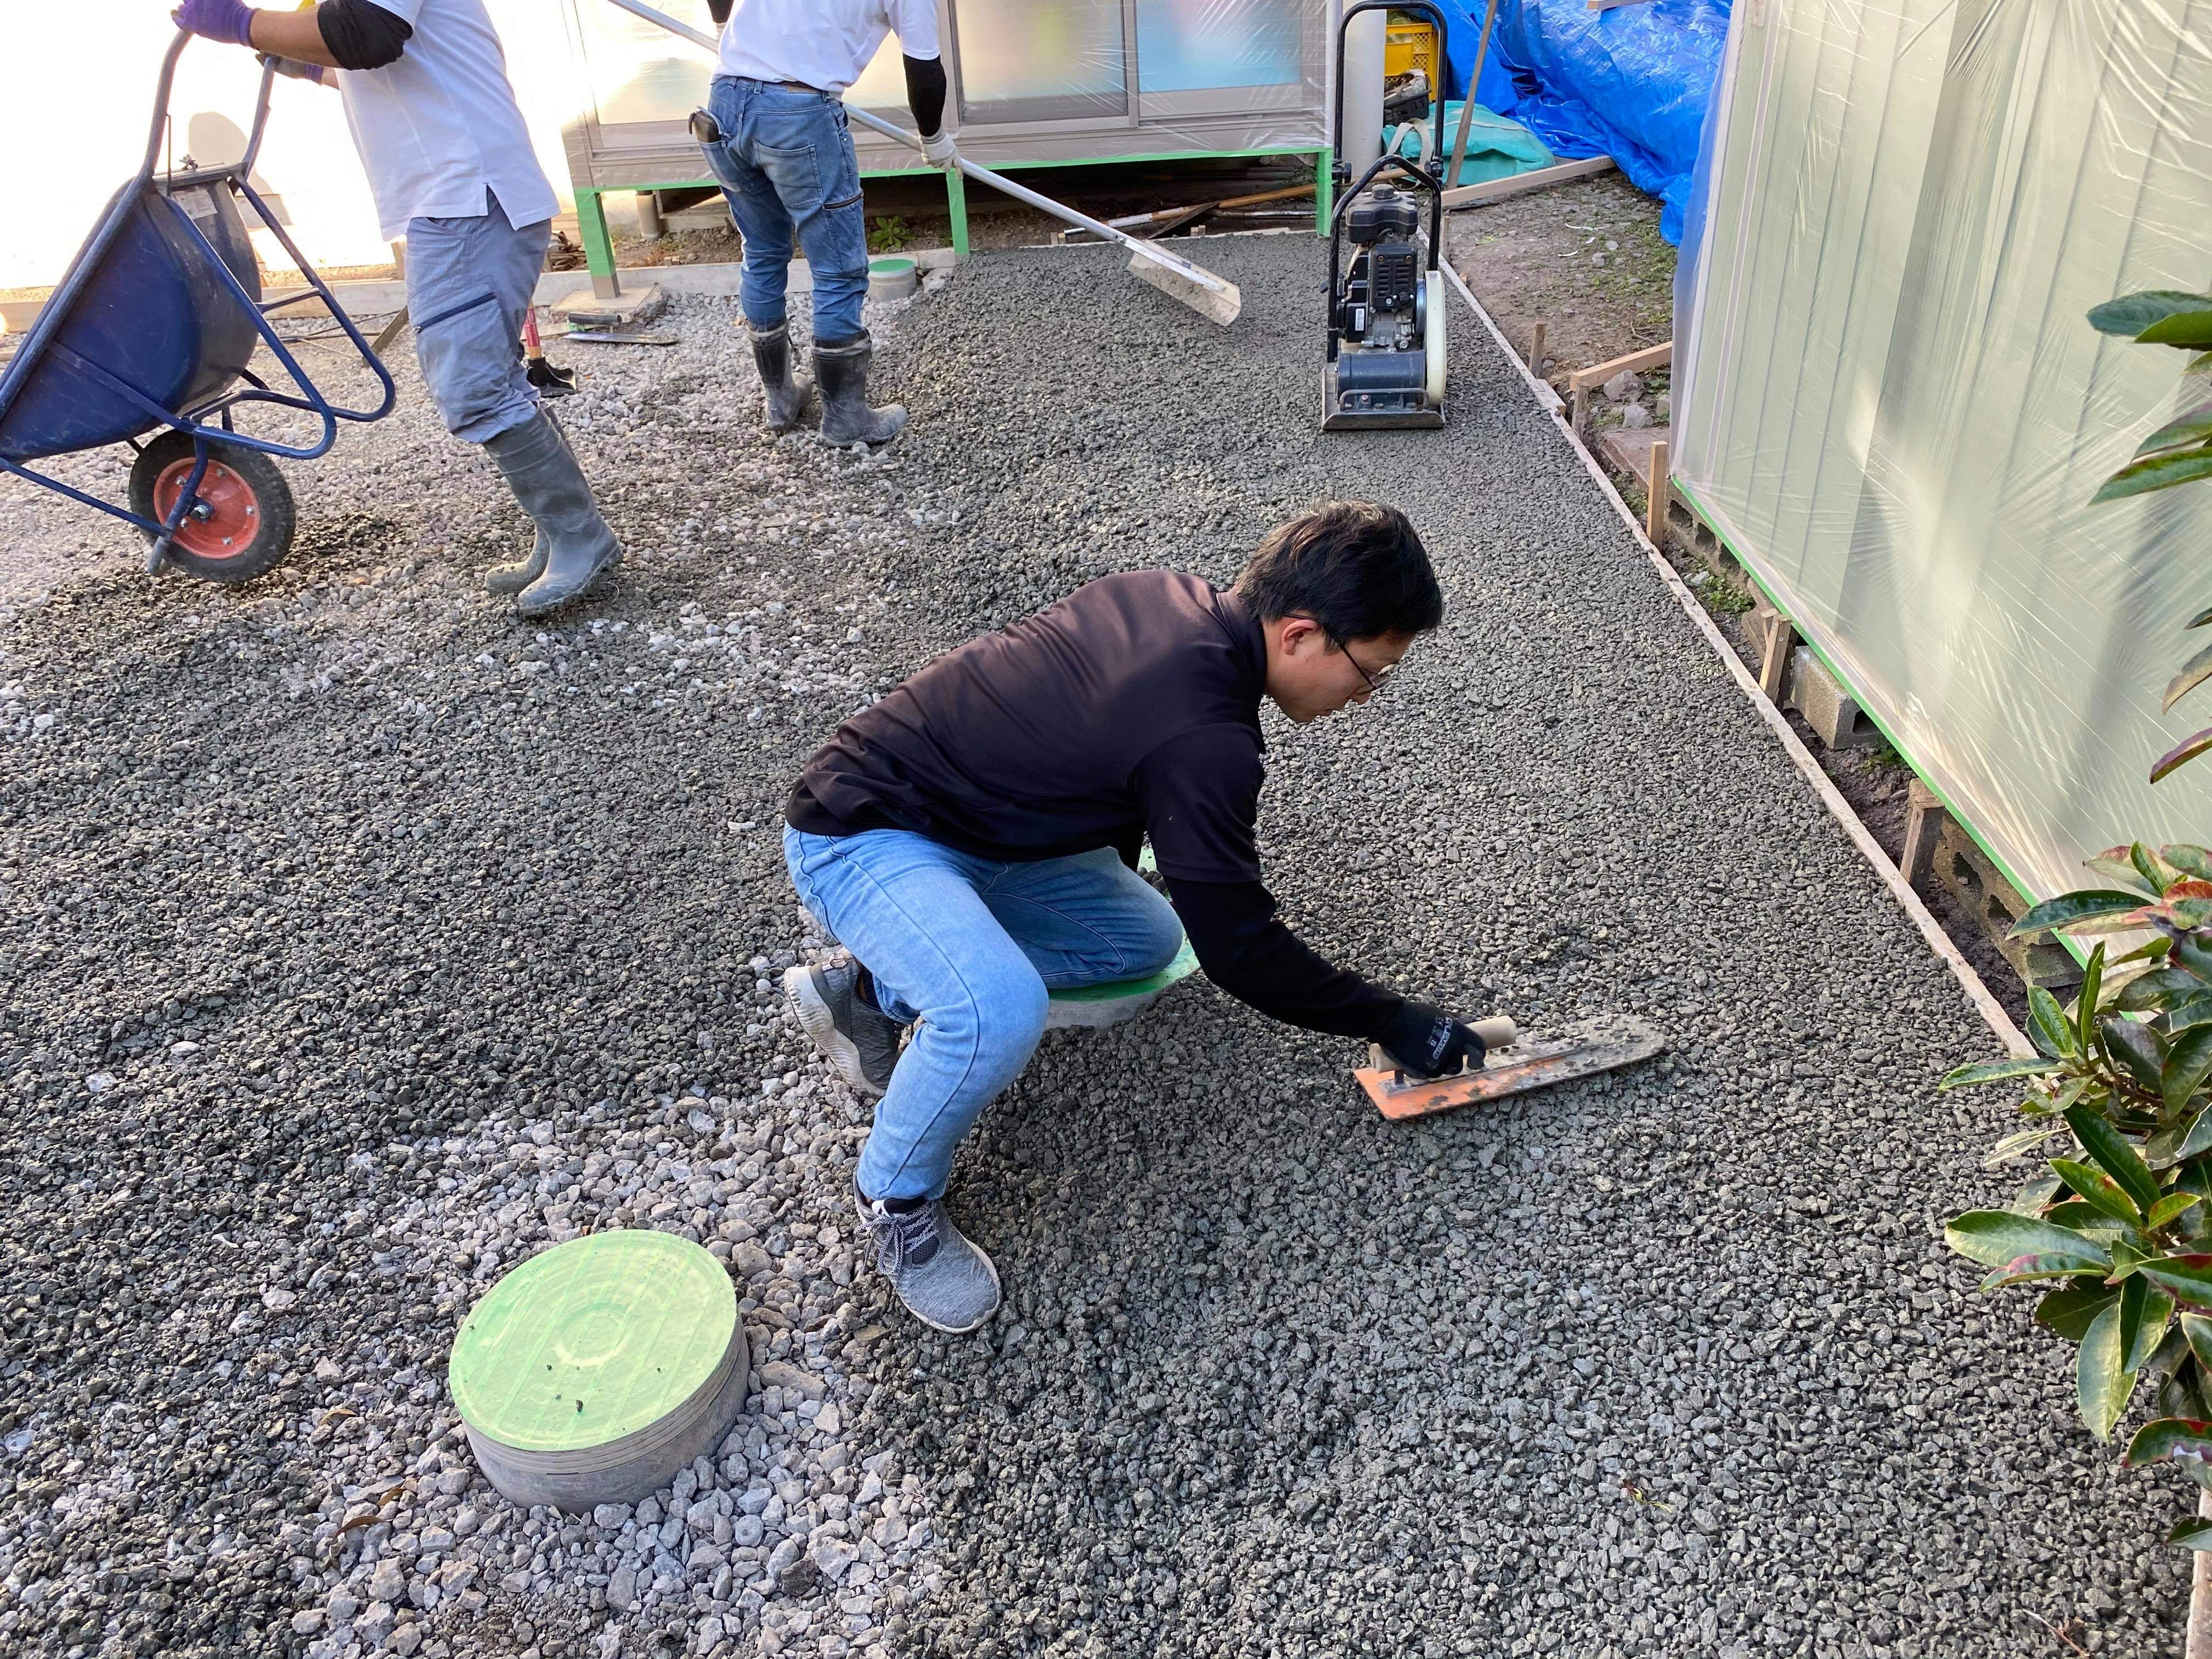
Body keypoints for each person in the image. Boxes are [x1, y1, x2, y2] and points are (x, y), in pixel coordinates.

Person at [780, 503, 1493, 1334]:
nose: (1366, 697)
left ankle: (872, 991)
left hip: (982, 828)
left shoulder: (1172, 599)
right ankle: (895, 1196)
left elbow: (1103, 778)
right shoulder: (1204, 736)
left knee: (1144, 941)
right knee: (996, 1010)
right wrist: (1393, 1018)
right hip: (860, 832)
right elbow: (1239, 947)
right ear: (1300, 635)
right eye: (1371, 672)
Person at [169, 0, 623, 617]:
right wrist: (302, 63)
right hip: (462, 198)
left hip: (467, 198)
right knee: (494, 380)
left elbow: (365, 35)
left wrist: (238, 21)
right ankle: (562, 531)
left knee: (473, 388)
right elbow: (383, 66)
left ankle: (580, 535)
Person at [696, 0, 956, 445]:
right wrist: (933, 137)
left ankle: (779, 401)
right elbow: (923, 66)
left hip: (724, 101)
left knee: (761, 253)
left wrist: (725, 25)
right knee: (837, 269)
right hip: (797, 114)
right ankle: (845, 419)